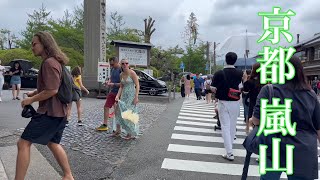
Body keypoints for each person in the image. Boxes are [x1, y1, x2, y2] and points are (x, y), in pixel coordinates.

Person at [249, 56, 320, 180]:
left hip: (275, 144)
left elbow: (257, 120)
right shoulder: (311, 94)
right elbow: (318, 128)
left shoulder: (269, 90)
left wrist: (252, 121)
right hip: (304, 148)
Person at [18, 31, 74, 180]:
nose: (32, 47)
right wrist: (35, 92)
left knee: (23, 143)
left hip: (49, 113)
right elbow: (52, 86)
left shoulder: (49, 62)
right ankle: (68, 175)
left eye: (34, 43)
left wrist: (30, 100)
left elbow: (52, 90)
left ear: (45, 43)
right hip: (60, 113)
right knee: (53, 143)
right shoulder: (56, 61)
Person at [211, 52, 242, 161]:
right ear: (235, 60)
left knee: (225, 126)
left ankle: (229, 152)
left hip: (223, 102)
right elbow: (241, 87)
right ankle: (230, 149)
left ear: (225, 59)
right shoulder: (240, 73)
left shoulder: (219, 73)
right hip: (235, 102)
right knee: (232, 126)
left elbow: (213, 88)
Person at [113, 59, 140, 140]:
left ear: (128, 64)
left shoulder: (132, 73)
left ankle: (130, 133)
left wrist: (136, 96)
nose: (125, 65)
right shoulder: (121, 74)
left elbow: (137, 85)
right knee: (118, 111)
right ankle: (118, 130)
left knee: (129, 113)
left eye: (126, 63)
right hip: (124, 95)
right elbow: (121, 86)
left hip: (131, 95)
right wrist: (117, 96)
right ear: (121, 65)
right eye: (123, 63)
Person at [96, 57, 121, 131]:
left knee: (118, 110)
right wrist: (108, 82)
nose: (111, 65)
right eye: (110, 64)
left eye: (112, 64)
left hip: (119, 92)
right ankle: (105, 124)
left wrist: (112, 84)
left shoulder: (121, 70)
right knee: (106, 107)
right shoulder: (112, 69)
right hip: (112, 91)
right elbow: (111, 77)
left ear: (117, 62)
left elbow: (123, 84)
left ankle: (118, 127)